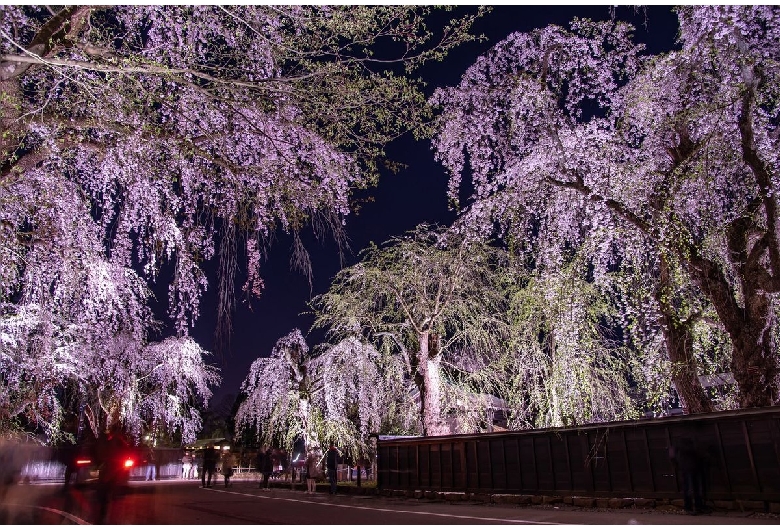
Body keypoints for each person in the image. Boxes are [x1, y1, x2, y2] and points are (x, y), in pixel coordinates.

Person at [669, 437, 711, 515]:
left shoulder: (681, 441)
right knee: (692, 488)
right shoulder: (687, 442)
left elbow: (672, 455)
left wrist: (677, 465)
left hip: (690, 466)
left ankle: (692, 507)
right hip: (691, 466)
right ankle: (692, 507)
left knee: (692, 488)